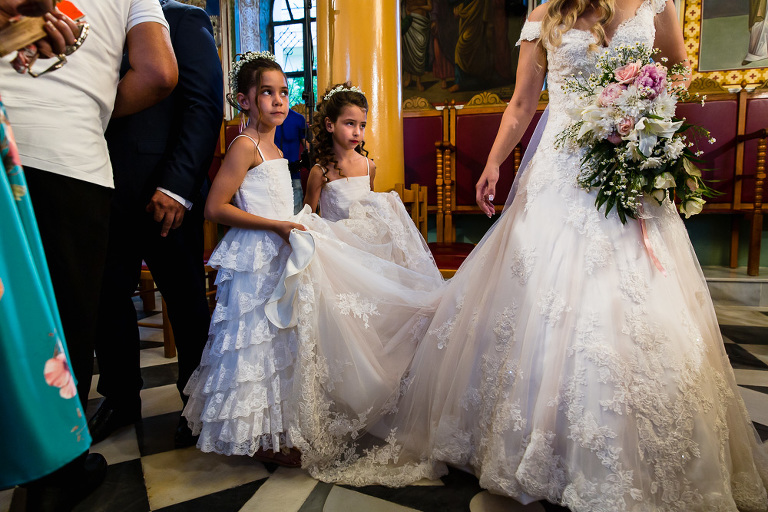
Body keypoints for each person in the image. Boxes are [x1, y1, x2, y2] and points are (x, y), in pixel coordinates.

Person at [298, 1, 768, 510]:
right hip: (560, 175)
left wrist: (645, 119)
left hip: (627, 164)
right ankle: (534, 444)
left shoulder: (658, 4)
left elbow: (678, 71)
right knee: (543, 300)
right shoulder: (544, 15)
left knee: (634, 298)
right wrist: (494, 164)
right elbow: (522, 104)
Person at [181, 54, 445, 471]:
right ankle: (255, 436)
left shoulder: (273, 145)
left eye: (283, 92)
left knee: (283, 343)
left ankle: (280, 429)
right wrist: (277, 226)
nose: (278, 100)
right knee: (257, 341)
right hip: (258, 253)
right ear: (243, 100)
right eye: (266, 92)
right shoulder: (244, 145)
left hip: (282, 248)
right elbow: (214, 207)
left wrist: (297, 229)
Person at [0, 0, 177, 425]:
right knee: (67, 324)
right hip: (71, 158)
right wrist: (91, 106)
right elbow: (160, 72)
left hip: (10, 133)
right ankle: (57, 475)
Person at [89, 0, 223, 449]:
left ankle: (196, 399)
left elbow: (201, 105)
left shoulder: (182, 19)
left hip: (164, 193)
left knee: (185, 299)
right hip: (100, 184)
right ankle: (120, 396)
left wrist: (177, 185)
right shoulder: (95, 21)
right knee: (107, 299)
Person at [303, 82, 442, 278]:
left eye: (362, 125)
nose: (357, 132)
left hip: (368, 252)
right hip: (338, 253)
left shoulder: (369, 166)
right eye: (349, 123)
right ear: (330, 124)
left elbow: (371, 211)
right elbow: (308, 218)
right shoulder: (320, 172)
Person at [276, 107, 307, 213]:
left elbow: (309, 148)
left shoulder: (298, 119)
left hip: (293, 176)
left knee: (296, 217)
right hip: (271, 176)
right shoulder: (264, 119)